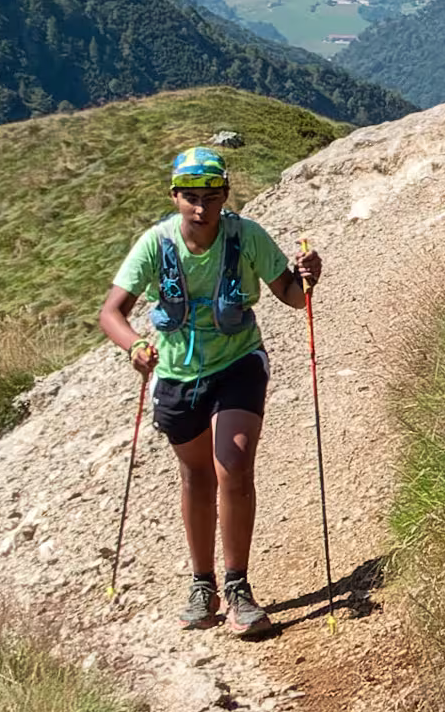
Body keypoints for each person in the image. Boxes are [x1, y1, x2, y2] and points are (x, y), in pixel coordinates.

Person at [102, 142, 321, 635]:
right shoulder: (155, 244)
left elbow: (290, 295)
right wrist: (136, 345)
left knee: (235, 465)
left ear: (224, 195)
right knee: (196, 476)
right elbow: (110, 312)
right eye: (192, 197)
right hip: (177, 375)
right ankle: (203, 584)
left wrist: (309, 278)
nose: (202, 208)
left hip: (238, 362)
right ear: (175, 195)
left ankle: (237, 586)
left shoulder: (247, 237)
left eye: (212, 197)